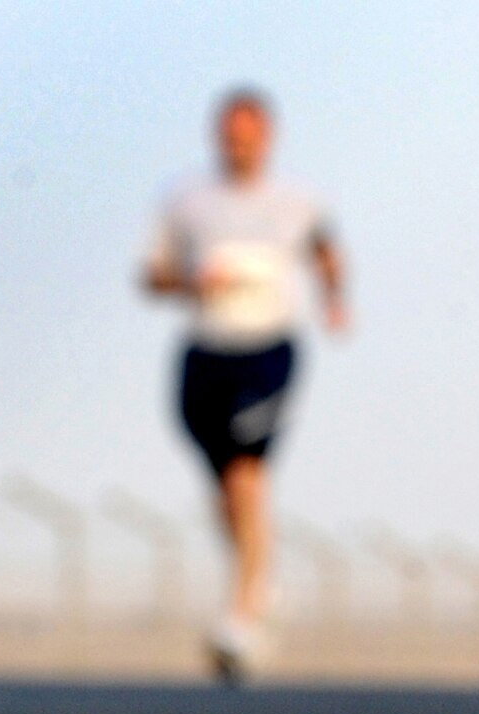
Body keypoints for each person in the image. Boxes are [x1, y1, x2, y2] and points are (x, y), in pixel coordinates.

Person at [142, 88, 347, 683]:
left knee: (245, 475)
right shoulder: (186, 200)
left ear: (268, 137)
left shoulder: (298, 201)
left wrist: (335, 299)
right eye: (229, 136)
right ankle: (260, 580)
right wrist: (190, 283)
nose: (239, 146)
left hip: (268, 351)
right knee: (224, 492)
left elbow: (326, 251)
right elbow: (153, 276)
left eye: (249, 135)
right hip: (206, 350)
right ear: (217, 137)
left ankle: (242, 619)